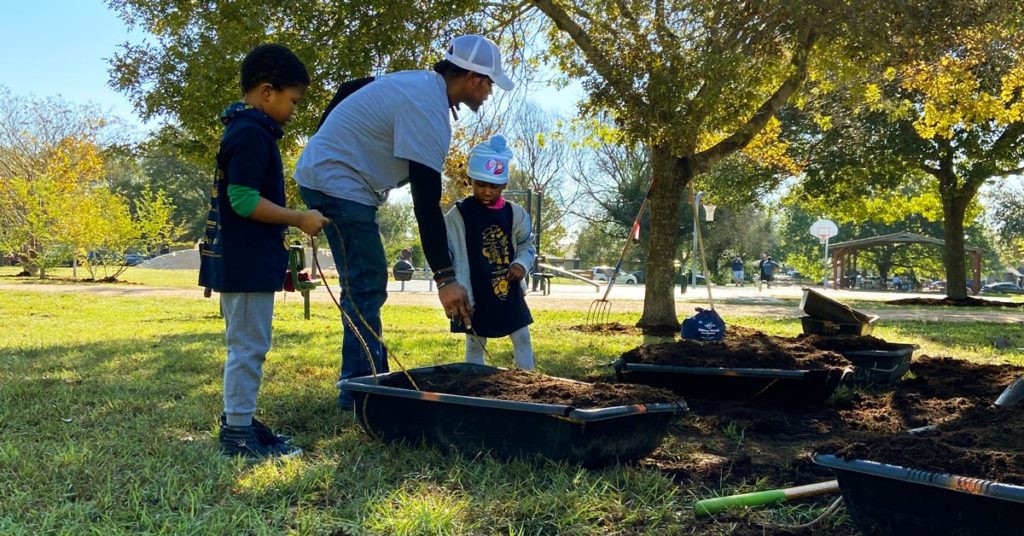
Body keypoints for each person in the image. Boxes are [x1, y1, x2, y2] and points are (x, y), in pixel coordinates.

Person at [293, 35, 515, 409]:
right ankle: (362, 394)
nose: (490, 93)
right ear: (473, 78)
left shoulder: (418, 83)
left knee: (364, 284)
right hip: (337, 183)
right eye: (489, 84)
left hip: (334, 177)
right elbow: (426, 204)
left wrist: (322, 140)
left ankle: (371, 382)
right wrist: (445, 279)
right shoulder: (428, 111)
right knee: (365, 285)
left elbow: (350, 88)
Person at [198, 44, 329, 459]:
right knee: (248, 348)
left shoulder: (248, 130)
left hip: (247, 261)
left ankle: (241, 419)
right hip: (245, 263)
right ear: (267, 91)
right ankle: (238, 434)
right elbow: (242, 200)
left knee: (249, 344)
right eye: (293, 100)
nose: (293, 110)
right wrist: (299, 218)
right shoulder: (251, 134)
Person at [445, 136, 536, 369]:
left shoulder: (515, 214)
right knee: (475, 343)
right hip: (474, 292)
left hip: (508, 291)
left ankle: (528, 379)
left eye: (493, 186)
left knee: (522, 337)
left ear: (504, 185)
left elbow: (526, 244)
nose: (486, 191)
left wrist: (521, 264)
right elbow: (446, 251)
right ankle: (475, 382)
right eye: (480, 185)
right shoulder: (459, 215)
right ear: (470, 181)